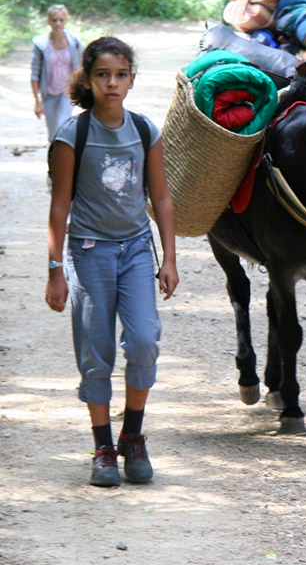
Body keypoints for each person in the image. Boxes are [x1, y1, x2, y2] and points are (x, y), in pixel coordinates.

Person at [45, 36, 179, 487]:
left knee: (143, 340)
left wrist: (170, 259)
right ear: (90, 80)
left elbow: (160, 196)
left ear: (132, 80)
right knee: (96, 352)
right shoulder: (73, 135)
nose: (112, 83)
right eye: (102, 75)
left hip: (137, 251)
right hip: (88, 254)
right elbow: (59, 207)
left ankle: (133, 437)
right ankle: (103, 446)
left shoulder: (144, 131)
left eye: (120, 75)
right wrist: (54, 270)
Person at [30, 4, 83, 141]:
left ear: (66, 20)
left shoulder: (75, 43)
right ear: (49, 21)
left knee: (63, 126)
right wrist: (37, 101)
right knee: (53, 133)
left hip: (67, 92)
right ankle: (54, 159)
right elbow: (35, 74)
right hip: (49, 93)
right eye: (54, 20)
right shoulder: (41, 44)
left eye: (61, 20)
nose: (58, 23)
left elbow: (81, 68)